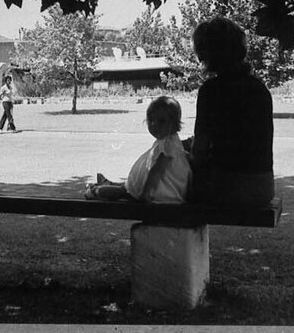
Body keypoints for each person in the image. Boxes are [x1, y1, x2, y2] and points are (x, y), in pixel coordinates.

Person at [186, 17, 275, 207]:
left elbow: (200, 150)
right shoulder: (259, 88)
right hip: (262, 188)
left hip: (226, 188)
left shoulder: (210, 90)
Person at [84, 96, 191, 203]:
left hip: (157, 193)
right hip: (167, 192)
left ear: (175, 124)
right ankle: (102, 186)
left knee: (122, 191)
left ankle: (94, 191)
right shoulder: (171, 141)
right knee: (124, 189)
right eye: (151, 120)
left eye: (161, 121)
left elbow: (157, 171)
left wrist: (145, 192)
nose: (155, 125)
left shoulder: (167, 145)